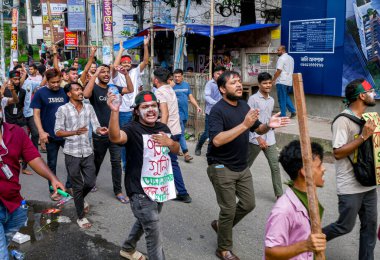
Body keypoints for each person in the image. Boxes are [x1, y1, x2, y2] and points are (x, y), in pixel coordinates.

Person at [206, 70, 289, 260]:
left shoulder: (243, 105)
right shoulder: (217, 111)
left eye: (238, 81)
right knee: (228, 209)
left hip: (241, 166)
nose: (238, 85)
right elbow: (217, 140)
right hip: (220, 166)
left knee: (249, 204)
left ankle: (221, 226)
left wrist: (269, 124)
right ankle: (223, 248)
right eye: (232, 82)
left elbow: (258, 127)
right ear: (222, 88)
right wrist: (244, 125)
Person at [108, 91, 179, 260]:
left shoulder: (163, 128)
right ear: (136, 111)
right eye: (144, 107)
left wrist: (170, 143)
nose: (150, 110)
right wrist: (114, 111)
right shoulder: (131, 129)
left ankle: (127, 248)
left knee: (145, 221)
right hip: (139, 190)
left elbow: (175, 150)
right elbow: (115, 137)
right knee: (153, 232)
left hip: (160, 186)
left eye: (153, 105)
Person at [0, 105, 65, 260]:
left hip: (13, 205)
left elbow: (33, 157)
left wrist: (52, 178)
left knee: (5, 242)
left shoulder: (15, 132)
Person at [322, 79, 378, 260]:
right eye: (371, 91)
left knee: (370, 228)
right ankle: (306, 242)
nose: (374, 94)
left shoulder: (368, 118)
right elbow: (337, 153)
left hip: (369, 185)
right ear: (362, 96)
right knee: (344, 226)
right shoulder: (342, 121)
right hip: (350, 186)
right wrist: (363, 136)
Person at [55, 82, 108, 229]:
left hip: (87, 151)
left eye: (81, 89)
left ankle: (79, 199)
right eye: (76, 90)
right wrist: (74, 132)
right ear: (69, 94)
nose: (80, 92)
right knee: (77, 186)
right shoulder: (62, 110)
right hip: (71, 153)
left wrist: (100, 130)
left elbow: (95, 125)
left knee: (90, 183)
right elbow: (57, 131)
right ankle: (80, 217)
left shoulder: (89, 107)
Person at [264, 140, 326, 259]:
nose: (323, 169)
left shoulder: (310, 197)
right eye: (319, 166)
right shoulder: (283, 210)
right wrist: (306, 245)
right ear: (303, 171)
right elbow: (270, 254)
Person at [83, 65, 133, 203]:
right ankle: (91, 182)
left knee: (116, 161)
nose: (106, 74)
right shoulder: (94, 87)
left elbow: (130, 89)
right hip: (100, 132)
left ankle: (118, 191)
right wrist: (94, 74)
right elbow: (86, 95)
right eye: (102, 72)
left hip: (115, 131)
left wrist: (126, 74)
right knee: (97, 160)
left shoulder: (114, 88)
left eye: (107, 72)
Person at [30, 68, 71, 201]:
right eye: (52, 82)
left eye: (58, 81)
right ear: (47, 81)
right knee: (51, 164)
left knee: (72, 161)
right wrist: (41, 132)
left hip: (66, 134)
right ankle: (54, 189)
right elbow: (36, 114)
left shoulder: (65, 91)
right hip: (50, 135)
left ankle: (69, 186)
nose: (55, 85)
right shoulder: (40, 93)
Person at [154, 67, 192, 203]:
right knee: (172, 162)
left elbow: (165, 113)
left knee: (158, 161)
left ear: (156, 80)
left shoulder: (159, 92)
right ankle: (182, 192)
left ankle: (158, 192)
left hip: (167, 131)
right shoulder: (170, 88)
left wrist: (161, 131)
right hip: (176, 130)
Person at [113, 35, 149, 171]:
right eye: (124, 63)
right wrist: (121, 51)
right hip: (122, 111)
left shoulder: (135, 72)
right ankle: (124, 163)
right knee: (124, 138)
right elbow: (115, 66)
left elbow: (145, 61)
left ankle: (136, 161)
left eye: (128, 62)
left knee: (138, 136)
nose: (126, 64)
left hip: (135, 110)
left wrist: (145, 45)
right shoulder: (116, 75)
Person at [247, 72, 283, 199]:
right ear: (259, 84)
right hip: (255, 138)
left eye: (269, 82)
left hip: (270, 138)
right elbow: (250, 121)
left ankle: (279, 195)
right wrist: (258, 137)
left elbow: (268, 119)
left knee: (275, 167)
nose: (268, 85)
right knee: (245, 167)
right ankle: (236, 187)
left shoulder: (272, 100)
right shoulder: (253, 99)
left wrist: (274, 124)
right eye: (265, 83)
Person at [195, 66, 225, 156]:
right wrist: (216, 103)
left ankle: (210, 152)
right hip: (211, 112)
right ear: (213, 74)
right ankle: (198, 146)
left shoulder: (224, 83)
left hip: (222, 112)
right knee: (208, 133)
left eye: (222, 74)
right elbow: (206, 96)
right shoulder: (210, 83)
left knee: (219, 133)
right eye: (218, 73)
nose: (220, 76)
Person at [172, 68, 202, 162]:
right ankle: (186, 154)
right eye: (175, 76)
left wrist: (197, 106)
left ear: (182, 76)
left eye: (178, 76)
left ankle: (175, 149)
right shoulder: (171, 86)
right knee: (181, 133)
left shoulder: (186, 85)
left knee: (179, 132)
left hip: (185, 113)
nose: (176, 78)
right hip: (176, 113)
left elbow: (191, 97)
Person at [4, 71, 29, 174]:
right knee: (9, 143)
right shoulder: (5, 91)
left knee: (25, 140)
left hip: (20, 119)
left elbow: (21, 105)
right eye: (15, 79)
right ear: (10, 79)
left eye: (18, 79)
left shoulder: (23, 91)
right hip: (9, 120)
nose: (17, 81)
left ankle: (24, 166)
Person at [272, 45, 296, 118]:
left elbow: (279, 70)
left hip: (281, 81)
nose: (277, 52)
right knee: (285, 96)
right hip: (289, 81)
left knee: (281, 98)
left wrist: (273, 79)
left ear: (283, 50)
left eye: (278, 50)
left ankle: (283, 114)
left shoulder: (281, 59)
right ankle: (293, 111)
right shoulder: (291, 58)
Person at [22, 64, 42, 150]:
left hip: (30, 112)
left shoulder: (29, 82)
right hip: (19, 116)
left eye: (22, 72)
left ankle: (34, 152)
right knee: (24, 136)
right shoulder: (10, 86)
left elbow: (41, 84)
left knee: (35, 133)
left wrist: (46, 75)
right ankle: (23, 158)